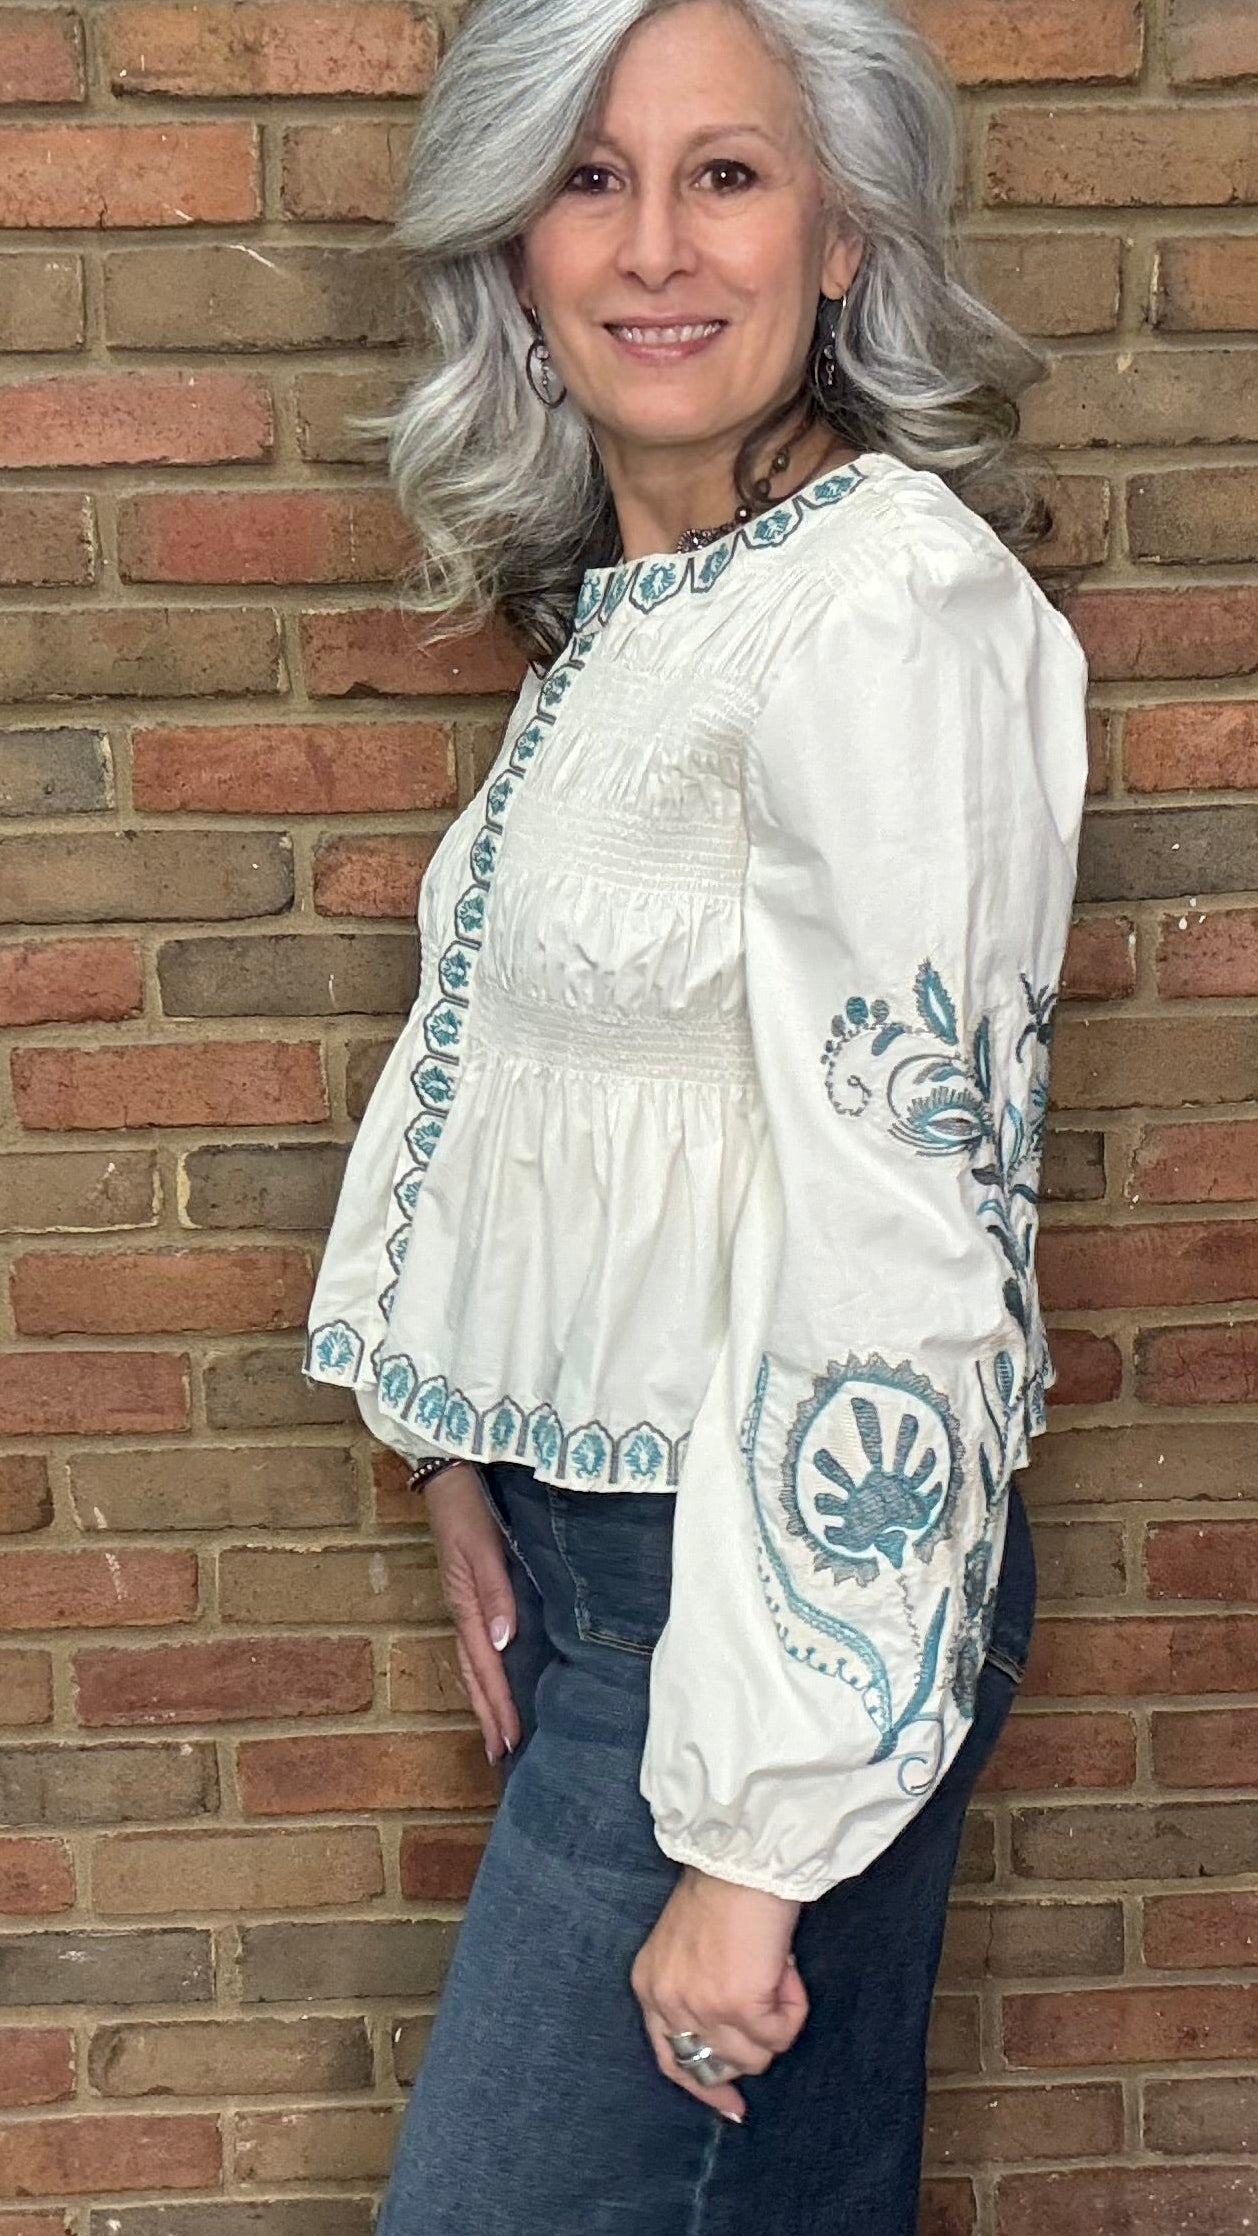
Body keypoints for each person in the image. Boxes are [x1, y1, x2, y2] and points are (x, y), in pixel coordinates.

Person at [303, 0, 1090, 2226]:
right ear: (513, 245)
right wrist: (475, 1443)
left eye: (725, 175)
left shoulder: (883, 615)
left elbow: (903, 1229)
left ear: (840, 235)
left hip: (768, 1616)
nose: (654, 246)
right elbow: (541, 1089)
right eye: (587, 175)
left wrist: (754, 1836)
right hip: (618, 1577)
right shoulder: (648, 611)